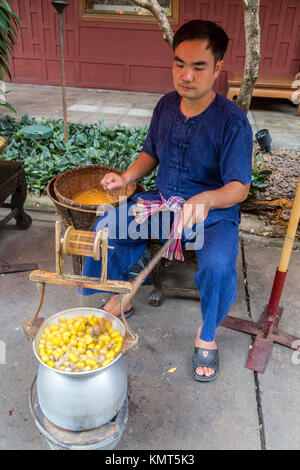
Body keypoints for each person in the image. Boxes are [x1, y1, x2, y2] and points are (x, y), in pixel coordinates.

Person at [81, 19, 253, 382]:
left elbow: (240, 188)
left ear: (218, 68)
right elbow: (150, 154)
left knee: (219, 266)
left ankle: (207, 332)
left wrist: (206, 200)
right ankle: (122, 294)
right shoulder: (165, 106)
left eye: (198, 66)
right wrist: (126, 177)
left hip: (212, 216)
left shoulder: (233, 122)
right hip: (162, 205)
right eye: (179, 63)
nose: (186, 75)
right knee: (106, 229)